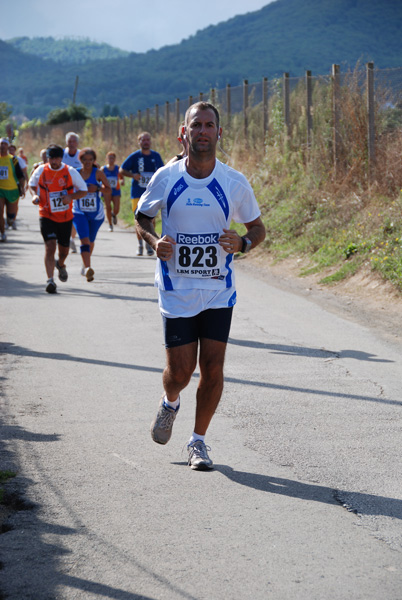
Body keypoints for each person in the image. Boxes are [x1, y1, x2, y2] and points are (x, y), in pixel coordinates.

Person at [136, 102, 266, 470]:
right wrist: (153, 240)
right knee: (179, 372)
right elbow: (142, 216)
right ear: (184, 132)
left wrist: (243, 244)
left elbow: (258, 228)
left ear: (218, 133)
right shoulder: (167, 177)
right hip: (176, 291)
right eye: (197, 125)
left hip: (217, 291)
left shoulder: (233, 182)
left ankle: (198, 442)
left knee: (212, 367)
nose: (203, 132)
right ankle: (170, 402)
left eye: (210, 125)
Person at [28, 144, 87, 293]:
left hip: (65, 217)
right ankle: (50, 280)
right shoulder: (41, 170)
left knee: (64, 251)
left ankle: (60, 264)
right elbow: (31, 184)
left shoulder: (70, 171)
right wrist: (35, 195)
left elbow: (84, 190)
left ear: (61, 158)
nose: (53, 161)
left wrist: (70, 197)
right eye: (51, 158)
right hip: (46, 214)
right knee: (50, 247)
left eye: (56, 158)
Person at [120, 131, 164, 256]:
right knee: (139, 220)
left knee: (151, 219)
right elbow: (121, 170)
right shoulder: (135, 156)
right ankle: (140, 244)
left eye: (148, 139)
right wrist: (133, 175)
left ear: (151, 141)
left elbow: (164, 171)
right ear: (139, 142)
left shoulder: (156, 156)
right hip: (137, 193)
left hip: (152, 194)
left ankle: (149, 244)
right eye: (143, 140)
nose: (146, 142)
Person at [73, 148, 110, 282]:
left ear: (94, 161)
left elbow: (109, 189)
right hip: (79, 211)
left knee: (91, 241)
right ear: (80, 160)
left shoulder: (98, 173)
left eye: (90, 160)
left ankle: (85, 264)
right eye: (84, 160)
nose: (87, 162)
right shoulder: (75, 173)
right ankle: (88, 268)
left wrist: (98, 188)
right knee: (84, 240)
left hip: (96, 214)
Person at [0, 138, 25, 242]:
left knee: (10, 215)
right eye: (1, 144)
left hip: (12, 189)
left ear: (8, 146)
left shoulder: (13, 159)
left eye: (4, 144)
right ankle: (3, 234)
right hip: (0, 189)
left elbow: (20, 176)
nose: (2, 146)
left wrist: (22, 188)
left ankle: (10, 220)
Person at [63, 132, 81, 253]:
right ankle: (65, 237)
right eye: (70, 141)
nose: (72, 143)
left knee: (73, 214)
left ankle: (71, 238)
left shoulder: (81, 155)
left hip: (77, 190)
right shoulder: (62, 155)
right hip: (62, 190)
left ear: (77, 143)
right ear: (66, 142)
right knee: (64, 214)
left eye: (74, 141)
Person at [101, 151, 124, 231]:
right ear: (107, 159)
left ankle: (113, 214)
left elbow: (121, 177)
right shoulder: (103, 169)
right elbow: (99, 178)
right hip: (107, 190)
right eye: (109, 158)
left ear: (115, 159)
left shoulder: (118, 168)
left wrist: (122, 181)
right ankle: (110, 225)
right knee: (108, 207)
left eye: (112, 158)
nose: (111, 159)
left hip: (116, 189)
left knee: (116, 208)